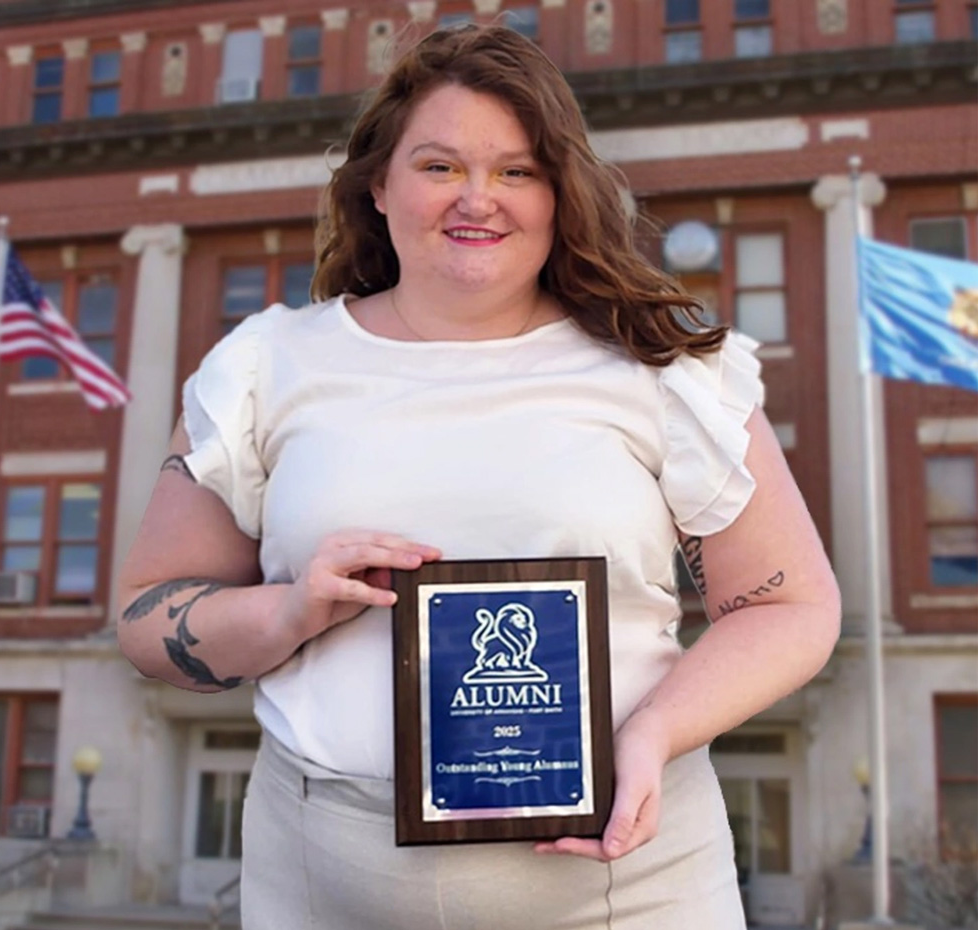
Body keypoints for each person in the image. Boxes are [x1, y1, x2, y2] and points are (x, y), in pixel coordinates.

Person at [118, 23, 841, 930]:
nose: (477, 198)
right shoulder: (265, 366)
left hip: (625, 890)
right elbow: (148, 612)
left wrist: (653, 733)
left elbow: (790, 607)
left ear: (559, 192)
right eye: (438, 166)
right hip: (323, 884)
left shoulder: (664, 367)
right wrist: (286, 610)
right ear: (378, 185)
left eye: (516, 170)